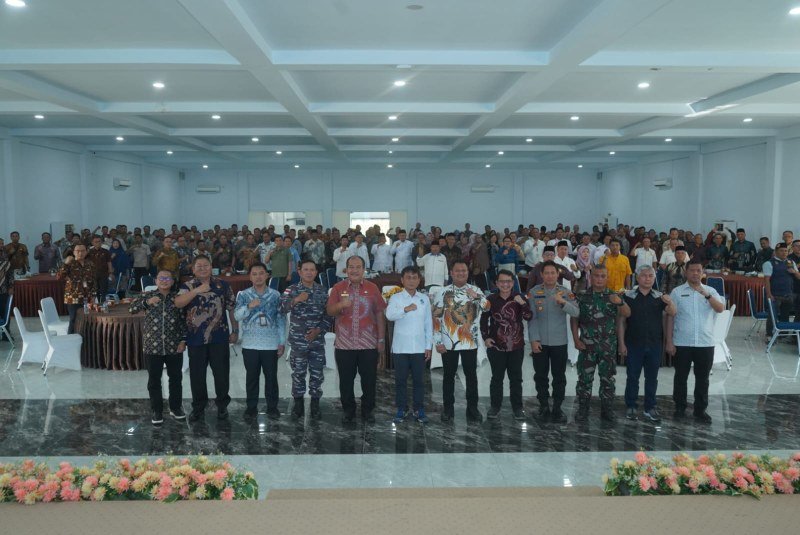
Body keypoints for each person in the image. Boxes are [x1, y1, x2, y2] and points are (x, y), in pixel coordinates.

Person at [175, 256, 239, 422]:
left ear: (211, 267)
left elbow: (231, 308)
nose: (202, 268)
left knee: (222, 374)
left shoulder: (223, 285)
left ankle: (222, 406)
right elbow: (178, 303)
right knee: (197, 375)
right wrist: (196, 291)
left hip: (220, 337)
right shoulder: (187, 286)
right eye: (199, 266)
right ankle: (198, 407)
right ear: (193, 269)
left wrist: (235, 330)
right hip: (196, 339)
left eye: (206, 265)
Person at [326, 256, 386, 423]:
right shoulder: (338, 288)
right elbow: (330, 311)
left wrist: (381, 340)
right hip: (345, 344)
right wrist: (340, 306)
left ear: (364, 269)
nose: (354, 270)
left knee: (369, 380)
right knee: (345, 381)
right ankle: (348, 410)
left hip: (368, 343)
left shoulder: (373, 288)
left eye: (358, 267)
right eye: (351, 267)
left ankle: (368, 410)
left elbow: (380, 312)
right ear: (346, 270)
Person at [666, 260, 724, 424]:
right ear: (686, 272)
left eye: (699, 270)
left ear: (703, 272)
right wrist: (669, 341)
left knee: (703, 378)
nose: (695, 274)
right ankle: (679, 407)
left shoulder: (711, 291)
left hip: (705, 343)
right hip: (682, 342)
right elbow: (670, 317)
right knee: (680, 377)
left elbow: (720, 308)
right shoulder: (677, 292)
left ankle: (700, 410)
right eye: (692, 270)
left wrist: (705, 294)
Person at [432, 260, 490, 423]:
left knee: (471, 377)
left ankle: (473, 409)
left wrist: (477, 297)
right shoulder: (443, 292)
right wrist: (437, 341)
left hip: (469, 342)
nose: (461, 273)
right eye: (457, 271)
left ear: (467, 272)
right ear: (451, 273)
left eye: (464, 271)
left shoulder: (475, 290)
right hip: (448, 342)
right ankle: (448, 409)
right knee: (448, 377)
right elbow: (436, 318)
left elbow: (487, 307)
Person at [570, 265, 630, 422]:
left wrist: (620, 303)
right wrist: (576, 339)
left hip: (607, 347)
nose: (599, 279)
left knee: (608, 379)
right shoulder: (582, 296)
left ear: (607, 277)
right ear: (591, 276)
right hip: (586, 346)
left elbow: (626, 314)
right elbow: (574, 318)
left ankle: (607, 410)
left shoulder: (613, 296)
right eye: (596, 275)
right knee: (584, 380)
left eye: (603, 276)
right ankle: (583, 409)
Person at [618, 265, 676, 423]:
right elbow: (622, 321)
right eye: (644, 275)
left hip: (654, 344)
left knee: (652, 378)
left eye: (651, 276)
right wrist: (621, 343)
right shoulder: (628, 296)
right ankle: (631, 406)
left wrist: (670, 302)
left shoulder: (659, 296)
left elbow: (673, 312)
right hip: (633, 343)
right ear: (637, 278)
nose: (647, 278)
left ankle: (650, 407)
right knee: (632, 377)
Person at [129, 270, 187, 425]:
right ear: (155, 280)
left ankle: (175, 408)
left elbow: (184, 321)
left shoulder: (178, 298)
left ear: (173, 281)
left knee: (175, 379)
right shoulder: (147, 295)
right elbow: (131, 309)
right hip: (151, 346)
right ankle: (157, 410)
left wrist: (183, 341)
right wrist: (146, 303)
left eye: (168, 278)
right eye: (161, 278)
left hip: (174, 346)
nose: (164, 280)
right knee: (154, 380)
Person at [527, 261, 579, 423]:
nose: (550, 276)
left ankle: (557, 407)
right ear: (541, 275)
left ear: (558, 274)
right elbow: (531, 319)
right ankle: (543, 406)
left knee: (559, 377)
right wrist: (534, 340)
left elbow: (577, 312)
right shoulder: (534, 292)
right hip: (540, 342)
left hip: (559, 342)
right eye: (546, 273)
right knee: (540, 376)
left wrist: (563, 303)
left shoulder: (565, 292)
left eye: (553, 273)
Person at [280, 259, 332, 420]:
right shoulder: (291, 290)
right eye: (306, 270)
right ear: (300, 272)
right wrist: (296, 300)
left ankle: (315, 404)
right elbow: (280, 308)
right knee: (298, 374)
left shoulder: (323, 291)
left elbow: (329, 316)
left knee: (317, 374)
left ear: (316, 272)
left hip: (316, 342)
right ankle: (298, 404)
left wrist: (318, 330)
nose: (309, 272)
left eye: (312, 270)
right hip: (298, 341)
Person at [234, 262, 286, 419]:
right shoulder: (243, 295)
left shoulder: (276, 295)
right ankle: (251, 407)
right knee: (252, 377)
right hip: (250, 344)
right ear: (250, 276)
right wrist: (249, 306)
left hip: (270, 344)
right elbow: (237, 316)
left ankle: (272, 407)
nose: (258, 276)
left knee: (271, 377)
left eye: (261, 273)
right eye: (254, 274)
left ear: (267, 275)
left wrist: (282, 342)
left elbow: (281, 320)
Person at [480, 269, 532, 420]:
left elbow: (529, 316)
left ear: (513, 283)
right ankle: (495, 406)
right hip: (496, 346)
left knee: (516, 378)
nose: (505, 284)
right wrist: (486, 338)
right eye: (502, 281)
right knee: (496, 378)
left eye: (508, 281)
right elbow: (483, 320)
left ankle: (518, 407)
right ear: (496, 283)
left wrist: (522, 304)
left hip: (516, 346)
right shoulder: (490, 299)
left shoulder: (519, 297)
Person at [385, 266, 433, 424]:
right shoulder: (396, 298)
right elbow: (389, 315)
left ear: (419, 280)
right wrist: (405, 309)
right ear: (402, 280)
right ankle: (402, 408)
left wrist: (428, 346)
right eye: (408, 277)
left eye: (414, 278)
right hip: (401, 347)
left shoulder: (424, 299)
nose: (411, 281)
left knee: (419, 381)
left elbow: (428, 324)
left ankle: (419, 409)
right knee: (400, 380)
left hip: (419, 347)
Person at [763, 242, 800, 339]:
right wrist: (769, 294)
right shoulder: (769, 263)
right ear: (776, 252)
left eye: (786, 251)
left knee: (785, 315)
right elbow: (766, 280)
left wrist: (794, 272)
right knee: (772, 315)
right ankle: (769, 335)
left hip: (788, 294)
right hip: (775, 295)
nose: (784, 253)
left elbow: (799, 277)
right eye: (781, 251)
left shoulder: (791, 262)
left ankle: (782, 335)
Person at [57, 243, 96, 334]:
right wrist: (66, 264)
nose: (80, 253)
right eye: (77, 251)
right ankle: (70, 341)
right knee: (74, 319)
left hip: (87, 297)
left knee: (88, 319)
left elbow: (93, 281)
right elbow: (59, 277)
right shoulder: (70, 263)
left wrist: (93, 295)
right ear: (73, 252)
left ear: (86, 252)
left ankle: (84, 340)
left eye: (82, 251)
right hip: (73, 297)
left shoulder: (90, 263)